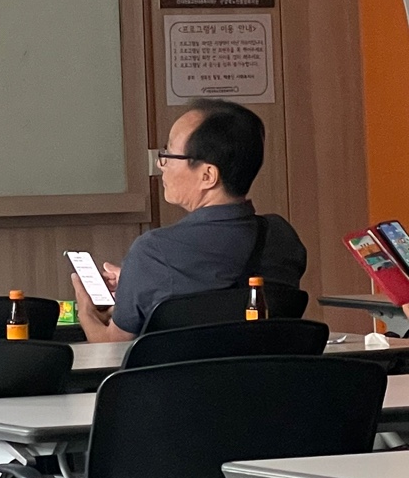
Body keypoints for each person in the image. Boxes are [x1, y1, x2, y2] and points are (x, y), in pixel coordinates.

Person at [73, 98, 307, 342]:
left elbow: (112, 346)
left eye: (169, 154)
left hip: (177, 369)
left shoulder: (152, 252)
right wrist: (137, 281)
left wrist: (86, 311)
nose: (161, 164)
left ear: (208, 175)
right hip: (265, 367)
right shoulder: (281, 237)